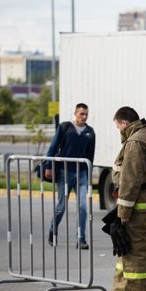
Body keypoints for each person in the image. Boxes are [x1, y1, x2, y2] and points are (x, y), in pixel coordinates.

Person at [110, 106, 146, 291]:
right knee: (128, 249)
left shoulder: (135, 142)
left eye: (118, 127)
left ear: (124, 123)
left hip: (139, 203)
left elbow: (130, 180)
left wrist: (123, 212)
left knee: (136, 250)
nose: (119, 132)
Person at [45, 103, 95, 249]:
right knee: (61, 207)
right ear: (75, 113)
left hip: (82, 175)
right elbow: (53, 148)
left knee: (83, 206)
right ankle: (53, 230)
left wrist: (88, 174)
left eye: (86, 114)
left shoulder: (90, 132)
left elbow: (90, 157)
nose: (84, 116)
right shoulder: (65, 127)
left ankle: (81, 239)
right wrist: (48, 166)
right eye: (81, 114)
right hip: (64, 173)